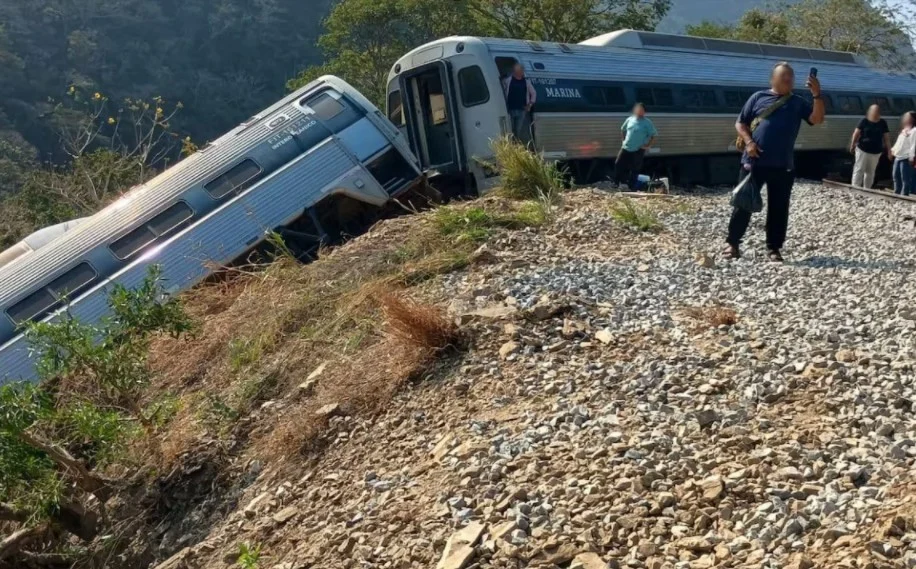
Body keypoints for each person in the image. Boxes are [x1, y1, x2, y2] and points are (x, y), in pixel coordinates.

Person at [725, 62, 825, 262]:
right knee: (743, 203)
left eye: (791, 76)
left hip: (783, 164)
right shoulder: (758, 97)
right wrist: (749, 142)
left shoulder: (797, 102)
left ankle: (774, 248)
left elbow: (817, 119)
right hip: (753, 161)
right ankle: (732, 244)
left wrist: (816, 95)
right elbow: (741, 122)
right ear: (773, 79)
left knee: (779, 208)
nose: (788, 79)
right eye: (784, 75)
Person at [615, 103, 658, 189]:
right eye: (638, 109)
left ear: (644, 112)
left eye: (641, 110)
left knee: (635, 168)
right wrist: (623, 141)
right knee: (618, 164)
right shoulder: (629, 119)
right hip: (626, 147)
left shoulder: (647, 123)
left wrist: (647, 146)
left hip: (638, 149)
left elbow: (654, 135)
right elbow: (622, 129)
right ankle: (618, 183)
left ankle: (631, 186)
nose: (639, 111)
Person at [849, 104, 890, 188]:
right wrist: (852, 144)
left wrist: (889, 150)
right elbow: (856, 133)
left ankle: (867, 189)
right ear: (869, 111)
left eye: (877, 111)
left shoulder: (882, 122)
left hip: (876, 151)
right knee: (859, 168)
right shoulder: (864, 121)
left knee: (870, 171)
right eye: (873, 111)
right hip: (862, 149)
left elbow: (886, 138)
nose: (875, 113)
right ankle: (855, 187)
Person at [502, 63, 536, 147]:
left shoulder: (526, 82)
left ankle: (516, 146)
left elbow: (533, 93)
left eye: (520, 71)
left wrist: (530, 104)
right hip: (510, 109)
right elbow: (502, 89)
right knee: (510, 129)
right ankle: (511, 146)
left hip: (521, 110)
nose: (519, 72)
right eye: (517, 71)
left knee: (518, 130)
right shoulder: (508, 80)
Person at [890, 111, 916, 196]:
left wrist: (911, 158)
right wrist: (893, 149)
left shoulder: (914, 131)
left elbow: (913, 144)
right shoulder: (904, 130)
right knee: (896, 175)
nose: (905, 119)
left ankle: (904, 194)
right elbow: (899, 142)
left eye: (907, 117)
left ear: (912, 119)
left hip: (906, 157)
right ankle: (896, 192)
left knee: (905, 177)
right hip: (898, 156)